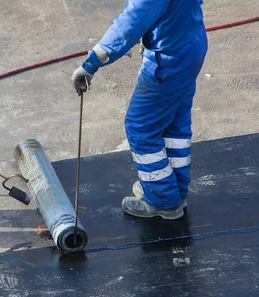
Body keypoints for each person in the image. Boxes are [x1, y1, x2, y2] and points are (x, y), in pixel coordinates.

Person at [72, 0, 208, 220]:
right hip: (191, 41)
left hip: (168, 57)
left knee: (141, 127)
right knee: (174, 124)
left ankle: (162, 201)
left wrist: (91, 63)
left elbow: (133, 21)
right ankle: (175, 191)